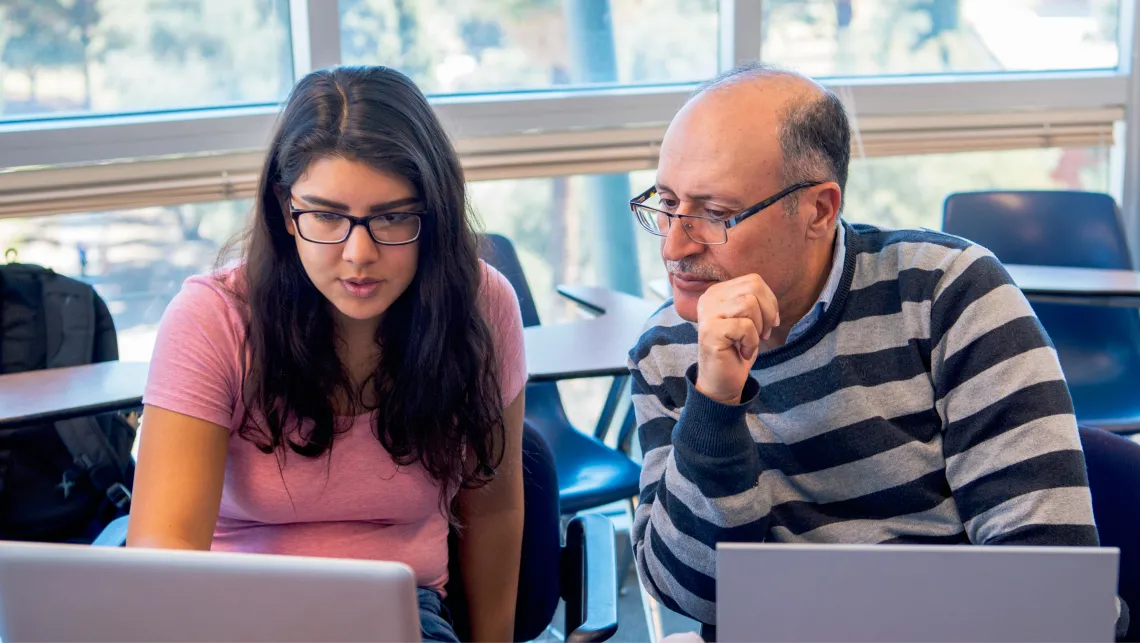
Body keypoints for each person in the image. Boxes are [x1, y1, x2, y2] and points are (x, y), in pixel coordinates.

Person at [627, 61, 1128, 641]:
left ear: (818, 209)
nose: (674, 244)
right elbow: (694, 592)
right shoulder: (667, 350)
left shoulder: (948, 294)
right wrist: (715, 399)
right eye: (666, 202)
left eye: (716, 215)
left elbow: (1046, 578)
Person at [127, 66, 527, 643]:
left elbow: (493, 509)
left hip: (400, 614)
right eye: (327, 216)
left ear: (434, 214)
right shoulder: (212, 318)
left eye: (392, 217)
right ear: (284, 210)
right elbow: (164, 551)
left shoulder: (482, 306)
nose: (358, 253)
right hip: (235, 610)